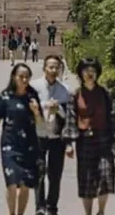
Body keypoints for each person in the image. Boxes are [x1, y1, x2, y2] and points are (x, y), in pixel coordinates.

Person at [0, 63, 47, 215]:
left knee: (24, 184)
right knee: (11, 183)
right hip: (9, 145)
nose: (24, 80)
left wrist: (36, 112)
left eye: (27, 77)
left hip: (29, 145)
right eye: (21, 77)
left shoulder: (32, 96)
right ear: (14, 77)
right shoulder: (5, 96)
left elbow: (41, 124)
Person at [62, 58, 115, 215]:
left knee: (105, 176)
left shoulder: (104, 93)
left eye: (93, 71)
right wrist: (69, 143)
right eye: (86, 70)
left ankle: (101, 211)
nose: (90, 74)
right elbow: (70, 119)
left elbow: (112, 117)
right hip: (85, 141)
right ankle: (88, 212)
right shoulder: (75, 95)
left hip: (104, 140)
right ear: (81, 73)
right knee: (86, 180)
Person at [30, 56, 71, 215]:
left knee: (55, 174)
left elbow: (70, 115)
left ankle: (52, 206)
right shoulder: (34, 87)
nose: (54, 70)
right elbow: (28, 108)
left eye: (57, 67)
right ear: (44, 68)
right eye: (51, 67)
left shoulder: (65, 90)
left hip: (57, 137)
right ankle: (40, 206)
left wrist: (58, 109)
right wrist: (45, 106)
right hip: (38, 134)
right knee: (39, 171)